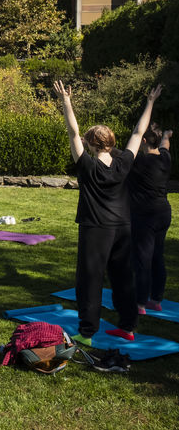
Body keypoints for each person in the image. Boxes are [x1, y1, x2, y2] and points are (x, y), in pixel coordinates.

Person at [53, 80, 162, 345]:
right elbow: (138, 132)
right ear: (111, 143)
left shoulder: (87, 166)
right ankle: (128, 326)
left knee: (90, 280)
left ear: (91, 144)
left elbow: (72, 132)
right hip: (123, 227)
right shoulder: (123, 162)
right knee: (123, 277)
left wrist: (66, 101)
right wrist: (150, 102)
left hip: (96, 229)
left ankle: (87, 333)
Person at [128, 124, 172, 314]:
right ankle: (156, 300)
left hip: (145, 217)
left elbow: (117, 154)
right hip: (163, 213)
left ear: (143, 140)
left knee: (142, 260)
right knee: (157, 256)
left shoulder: (138, 161)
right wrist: (167, 135)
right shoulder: (165, 158)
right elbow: (165, 145)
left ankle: (139, 304)